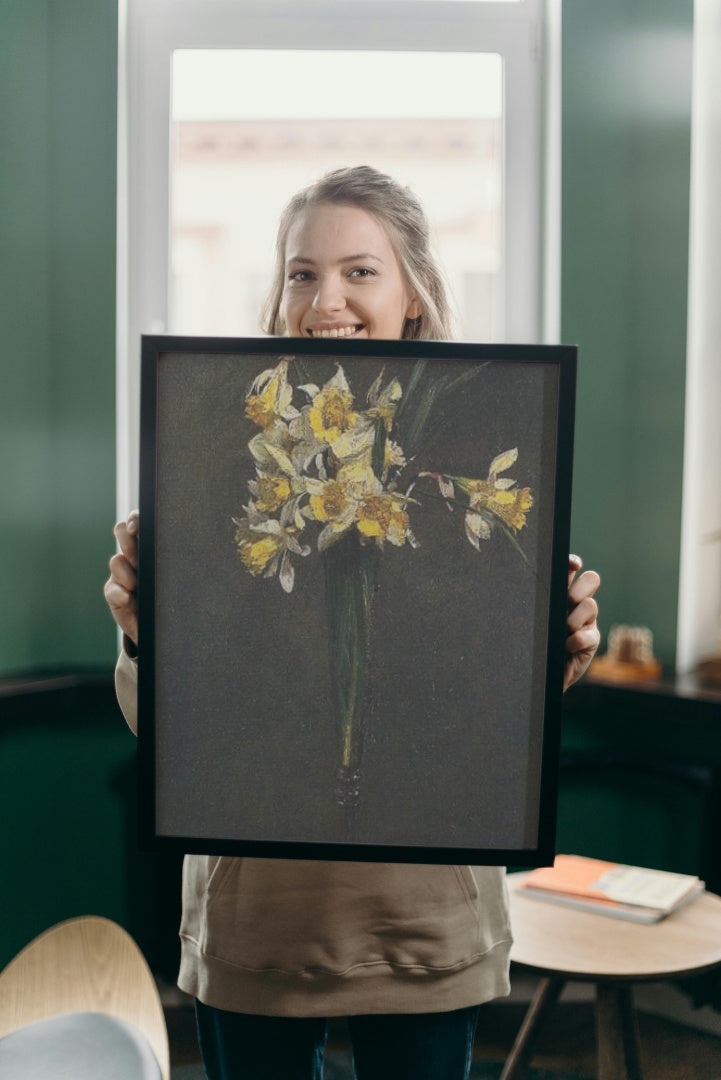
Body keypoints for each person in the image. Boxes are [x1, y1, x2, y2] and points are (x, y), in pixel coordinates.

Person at [105, 166, 601, 1080]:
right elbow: (173, 728)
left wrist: (554, 651)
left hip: (424, 916)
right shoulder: (212, 454)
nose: (324, 299)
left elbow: (486, 708)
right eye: (301, 273)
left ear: (413, 292)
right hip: (258, 918)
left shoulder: (477, 457)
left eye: (359, 271)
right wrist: (145, 635)